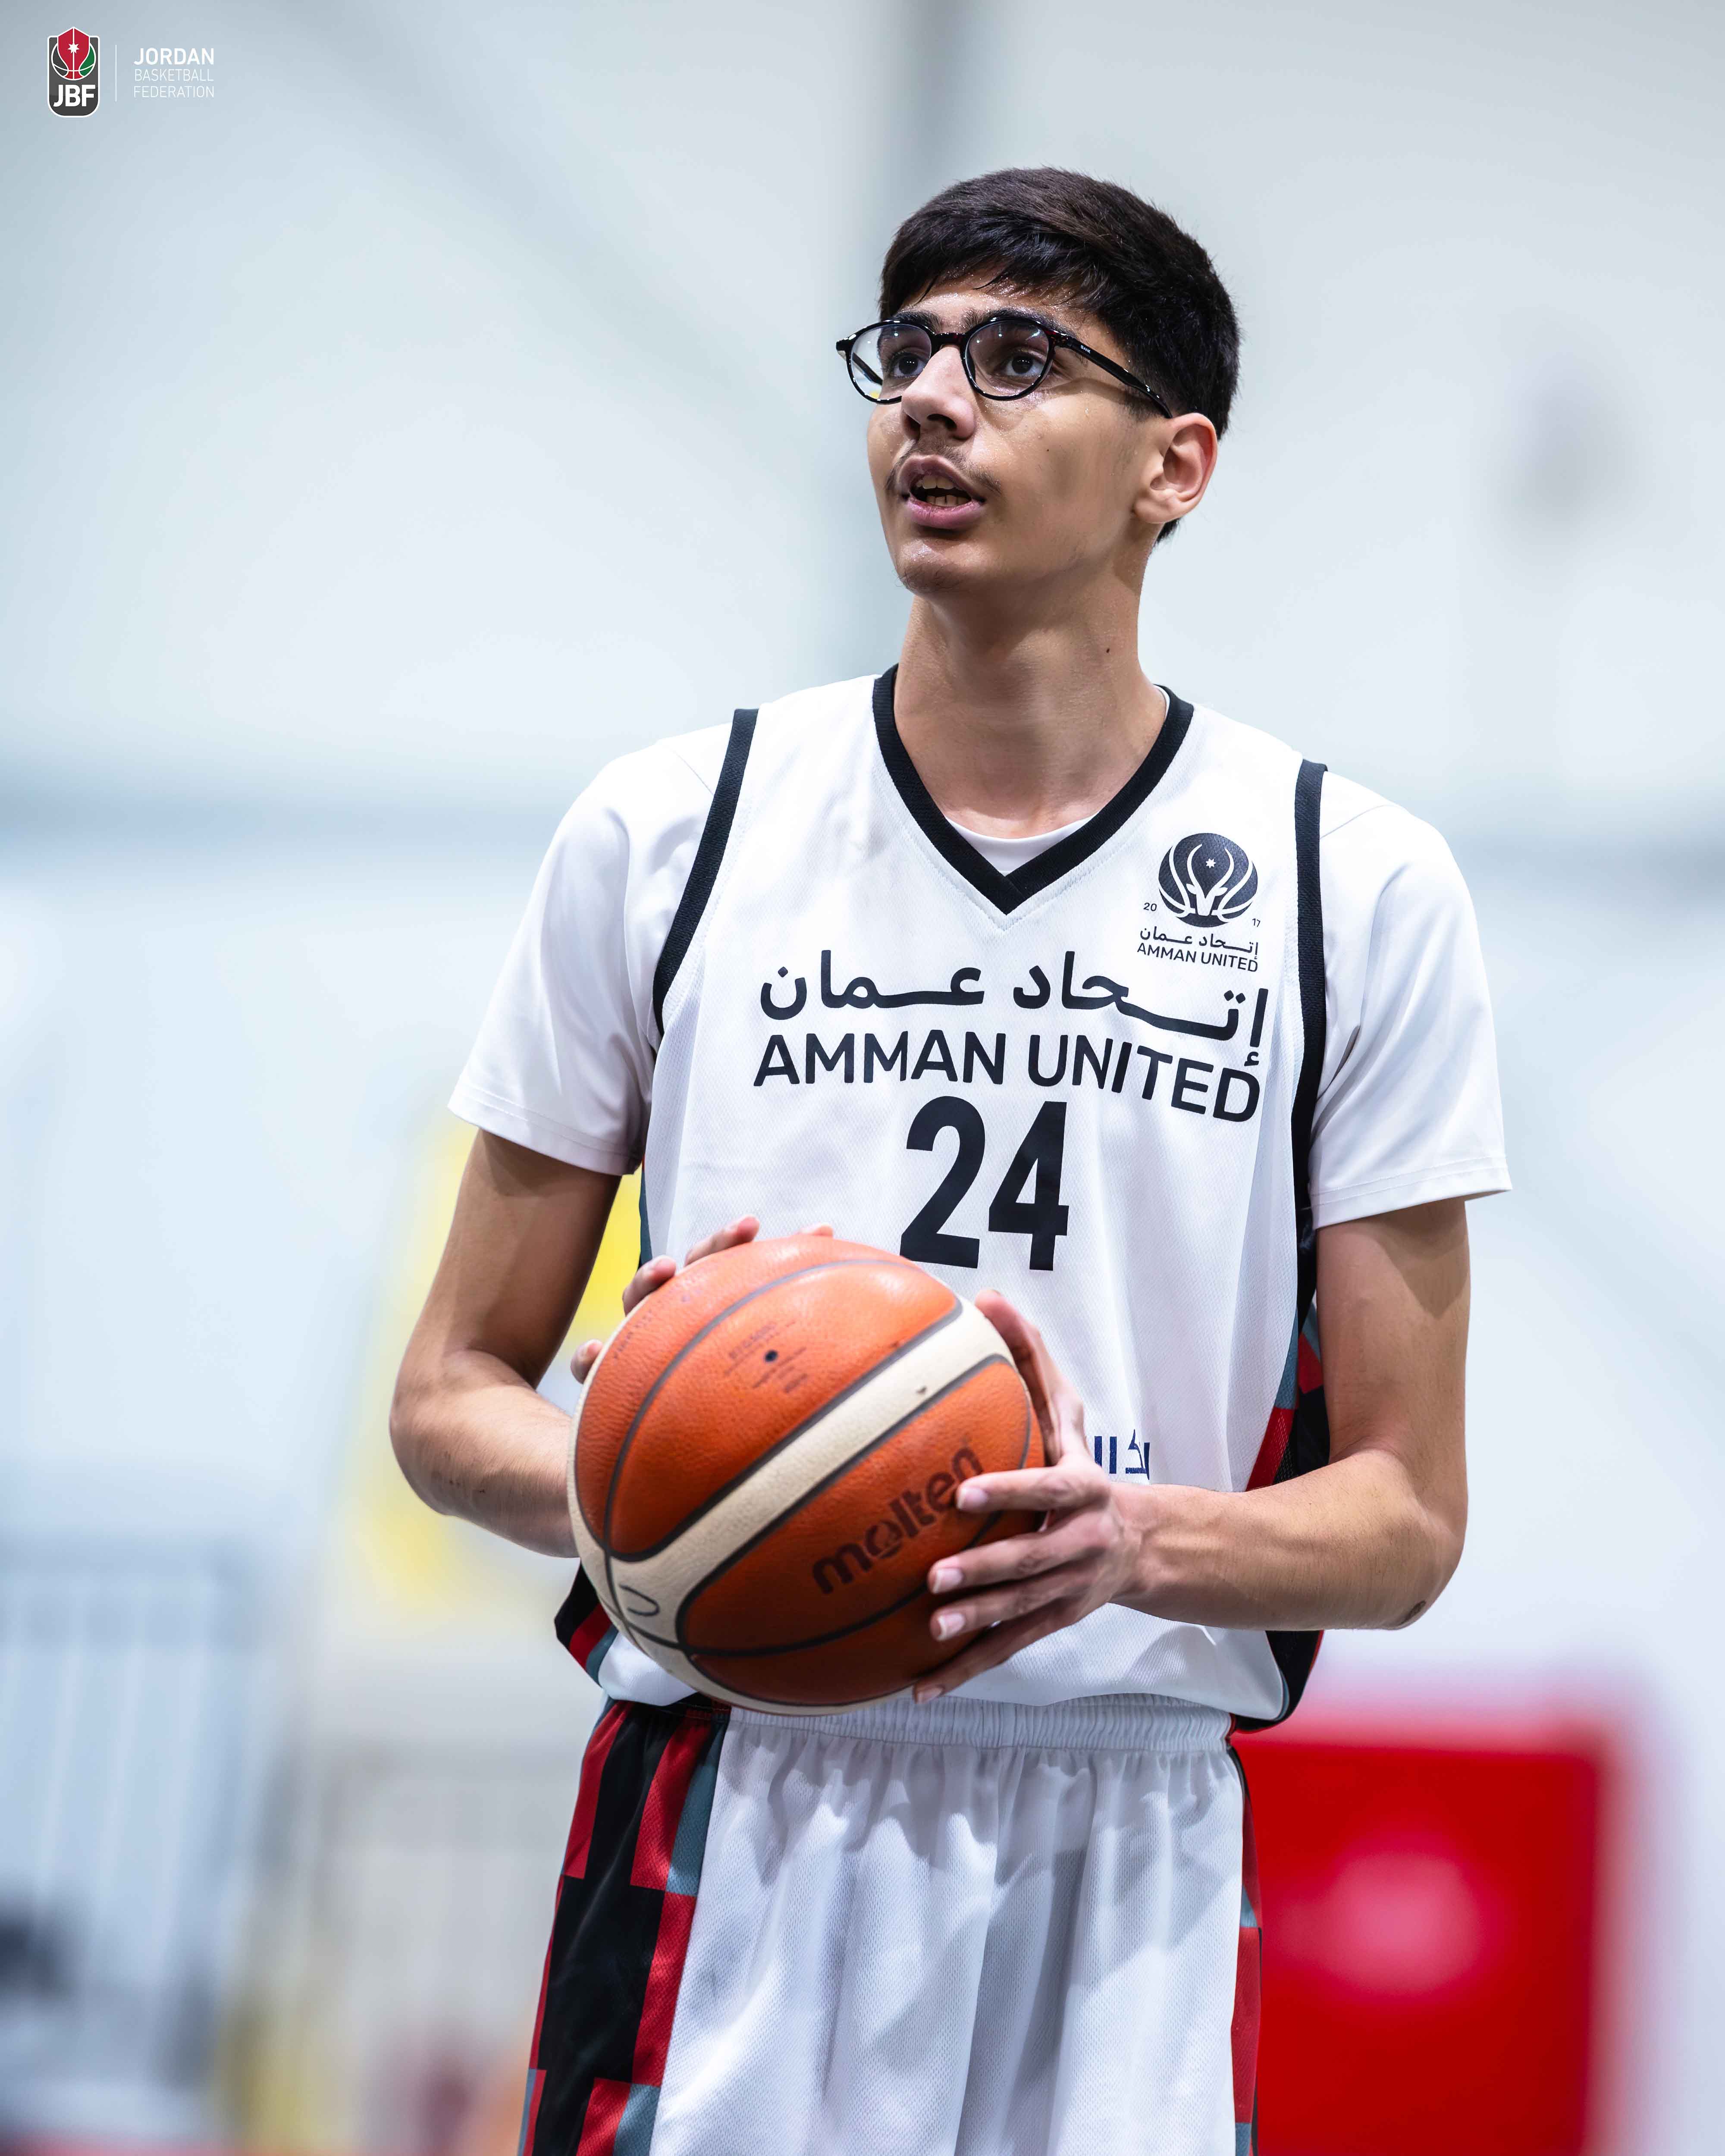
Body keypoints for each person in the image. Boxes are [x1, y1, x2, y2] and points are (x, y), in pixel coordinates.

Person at [391, 167, 1509, 2156]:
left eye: (1014, 358)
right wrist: (679, 1474)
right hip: (738, 1786)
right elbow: (444, 1394)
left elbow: (1406, 1516)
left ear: (1175, 465)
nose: (929, 398)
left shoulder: (1351, 883)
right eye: (903, 350)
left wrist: (1132, 1539)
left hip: (1128, 1826)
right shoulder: (669, 833)